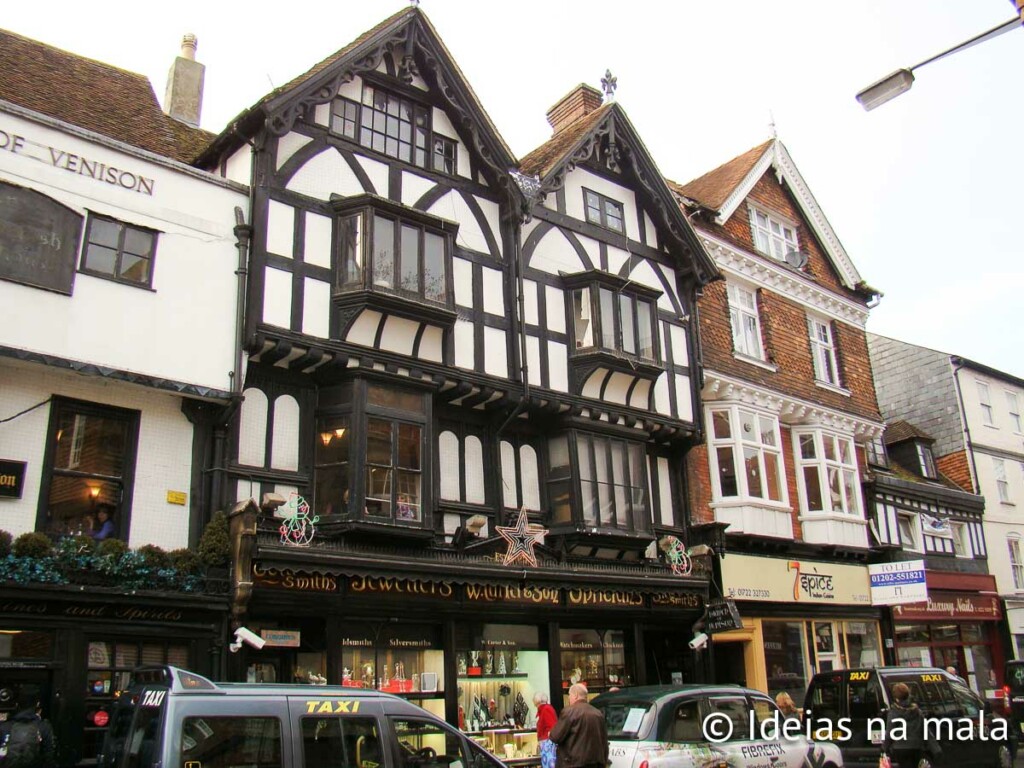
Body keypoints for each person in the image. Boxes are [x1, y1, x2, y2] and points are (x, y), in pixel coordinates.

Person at [549, 683, 608, 768]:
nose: (569, 698)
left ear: (575, 695)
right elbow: (604, 741)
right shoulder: (598, 714)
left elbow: (555, 737)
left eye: (569, 695)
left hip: (573, 763)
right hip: (595, 763)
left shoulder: (569, 712)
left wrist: (550, 733)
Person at [882, 682, 938, 768]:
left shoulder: (893, 712)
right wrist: (935, 747)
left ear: (896, 698)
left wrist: (884, 748)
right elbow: (925, 730)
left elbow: (890, 733)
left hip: (900, 748)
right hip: (916, 746)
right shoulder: (917, 711)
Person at [0, 691, 56, 768]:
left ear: (16, 704)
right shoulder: (43, 726)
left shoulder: (4, 726)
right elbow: (49, 755)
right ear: (37, 704)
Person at [534, 692, 558, 768]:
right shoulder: (544, 709)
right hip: (546, 743)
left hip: (547, 744)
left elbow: (552, 726)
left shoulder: (546, 709)